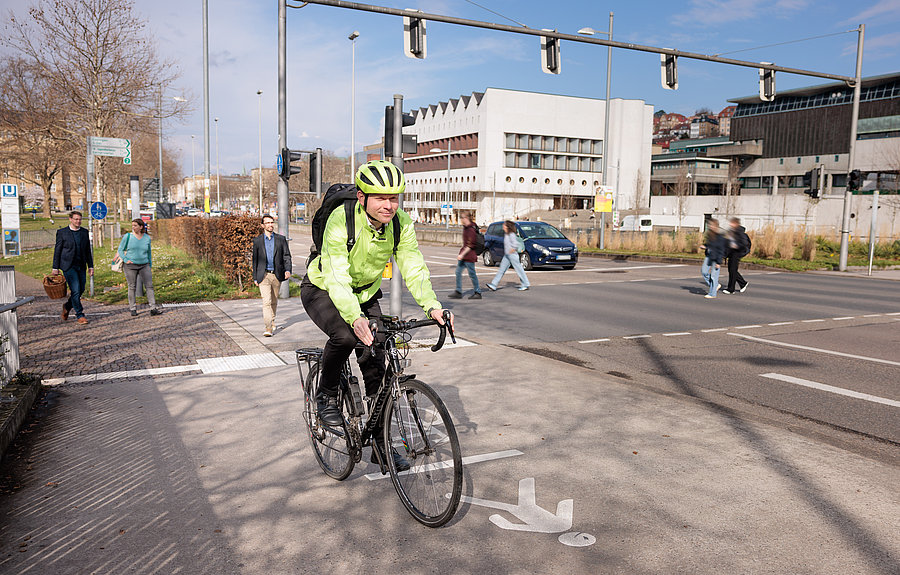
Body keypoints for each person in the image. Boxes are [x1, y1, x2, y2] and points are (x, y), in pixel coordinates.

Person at [300, 160, 452, 471]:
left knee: (377, 364)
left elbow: (413, 266)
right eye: (381, 198)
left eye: (394, 198)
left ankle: (381, 446)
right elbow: (337, 276)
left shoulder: (400, 224)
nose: (389, 205)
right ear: (361, 197)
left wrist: (432, 306)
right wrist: (354, 318)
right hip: (324, 288)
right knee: (344, 336)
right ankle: (326, 396)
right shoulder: (342, 220)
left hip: (366, 294)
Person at [252, 215, 292, 336]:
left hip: (276, 275)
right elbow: (255, 260)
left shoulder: (281, 239)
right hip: (263, 275)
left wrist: (288, 270)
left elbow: (286, 256)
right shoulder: (257, 241)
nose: (270, 225)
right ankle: (268, 328)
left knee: (274, 301)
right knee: (267, 302)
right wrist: (255, 276)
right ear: (262, 225)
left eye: (271, 222)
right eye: (267, 223)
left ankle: (272, 320)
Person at [51, 211, 93, 325]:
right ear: (70, 219)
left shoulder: (84, 232)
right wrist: (55, 267)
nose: (78, 221)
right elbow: (57, 250)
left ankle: (67, 306)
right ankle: (80, 315)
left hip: (81, 265)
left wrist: (91, 266)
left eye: (79, 219)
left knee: (81, 289)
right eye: (75, 219)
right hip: (68, 266)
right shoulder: (62, 232)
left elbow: (88, 251)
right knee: (75, 289)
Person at [114, 218, 162, 317]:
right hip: (130, 266)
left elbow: (149, 252)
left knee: (149, 286)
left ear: (141, 227)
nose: (133, 227)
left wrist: (150, 264)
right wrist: (126, 259)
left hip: (144, 265)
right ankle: (133, 308)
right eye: (132, 225)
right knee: (132, 286)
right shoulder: (128, 236)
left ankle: (153, 308)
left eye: (135, 225)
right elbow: (120, 250)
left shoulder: (147, 238)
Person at [485, 220, 530, 292]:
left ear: (507, 227)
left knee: (519, 270)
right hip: (507, 256)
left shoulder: (511, 234)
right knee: (501, 270)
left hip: (512, 255)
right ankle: (493, 285)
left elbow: (515, 244)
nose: (503, 226)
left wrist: (512, 250)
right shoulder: (506, 234)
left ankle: (525, 284)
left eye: (504, 225)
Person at [448, 210, 482, 300]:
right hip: (465, 255)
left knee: (472, 274)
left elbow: (471, 245)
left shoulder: (471, 229)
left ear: (466, 218)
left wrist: (462, 255)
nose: (461, 220)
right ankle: (458, 291)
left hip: (469, 256)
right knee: (458, 272)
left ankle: (477, 292)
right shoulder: (466, 228)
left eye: (461, 218)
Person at [722, 217, 750, 294]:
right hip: (731, 252)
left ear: (736, 224)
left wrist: (736, 245)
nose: (730, 224)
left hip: (736, 253)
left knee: (732, 270)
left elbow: (743, 244)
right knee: (732, 270)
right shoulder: (732, 231)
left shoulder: (739, 232)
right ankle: (742, 283)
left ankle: (731, 289)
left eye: (732, 223)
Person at [700, 218, 726, 299]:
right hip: (709, 255)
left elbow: (721, 250)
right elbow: (710, 244)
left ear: (715, 226)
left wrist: (719, 262)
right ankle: (716, 285)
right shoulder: (710, 234)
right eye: (709, 225)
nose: (710, 226)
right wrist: (705, 246)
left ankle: (712, 293)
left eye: (711, 225)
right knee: (704, 271)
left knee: (714, 276)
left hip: (716, 258)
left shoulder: (720, 236)